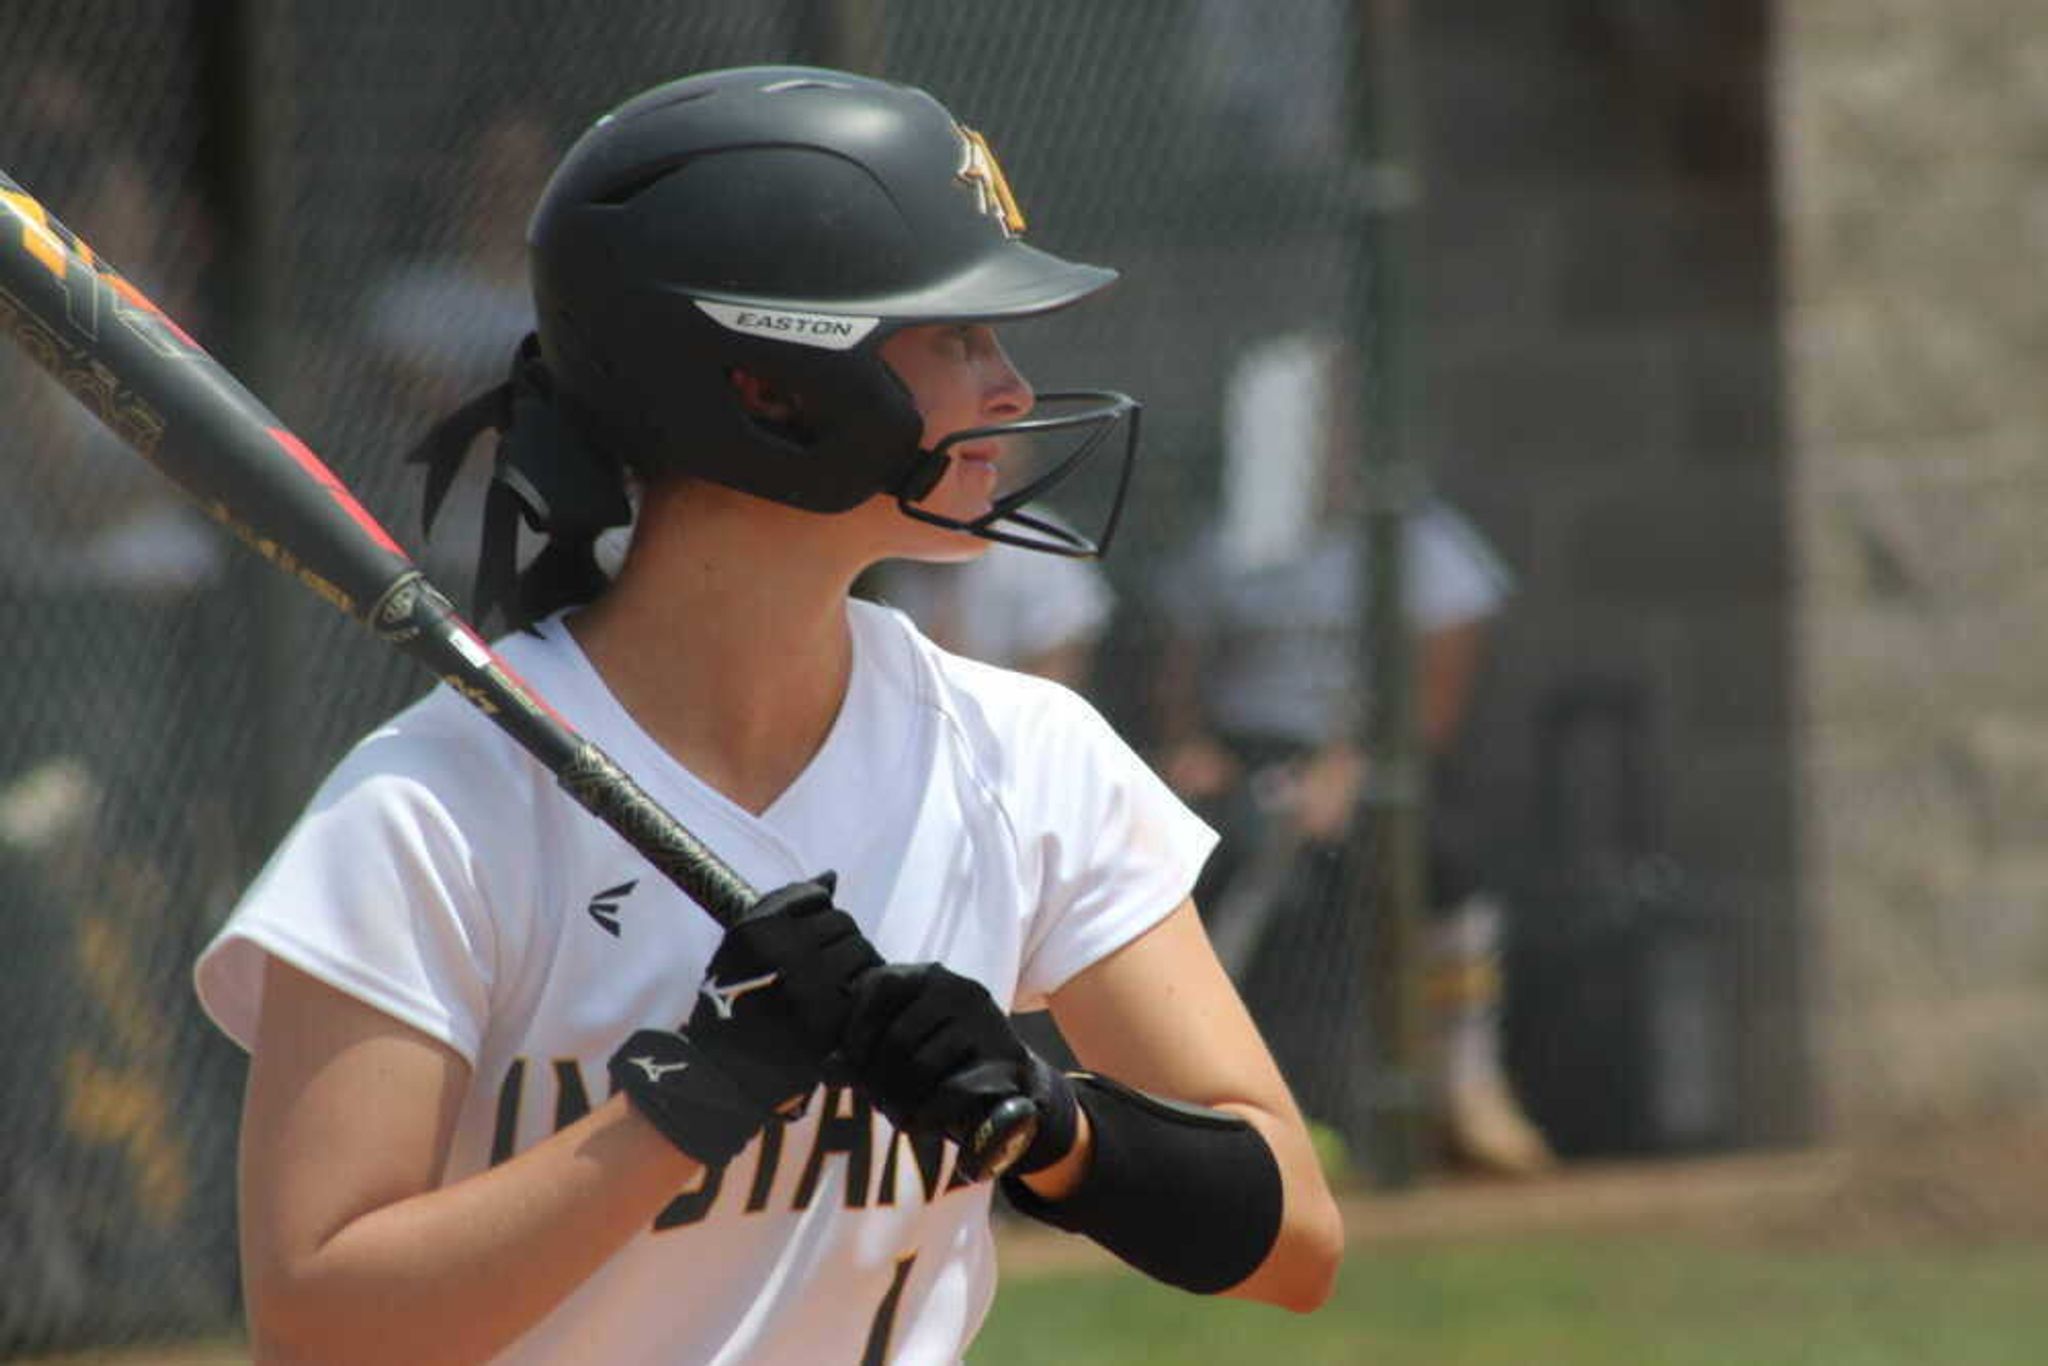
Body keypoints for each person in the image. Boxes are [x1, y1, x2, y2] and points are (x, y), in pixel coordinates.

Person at [193, 67, 1342, 1364]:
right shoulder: (433, 807)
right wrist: (689, 1100)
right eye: (956, 337)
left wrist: (1051, 1122)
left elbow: (1294, 1230)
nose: (1012, 388)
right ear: (769, 386)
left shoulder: (1024, 757)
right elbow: (317, 1317)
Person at [1152, 331, 1554, 1178]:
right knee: (1207, 871)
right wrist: (1192, 748)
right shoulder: (1234, 539)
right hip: (1248, 755)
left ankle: (1465, 1082)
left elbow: (1435, 699)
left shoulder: (1418, 538)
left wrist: (1353, 766)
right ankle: (1188, 1094)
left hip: (1365, 758)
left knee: (1447, 863)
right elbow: (1181, 672)